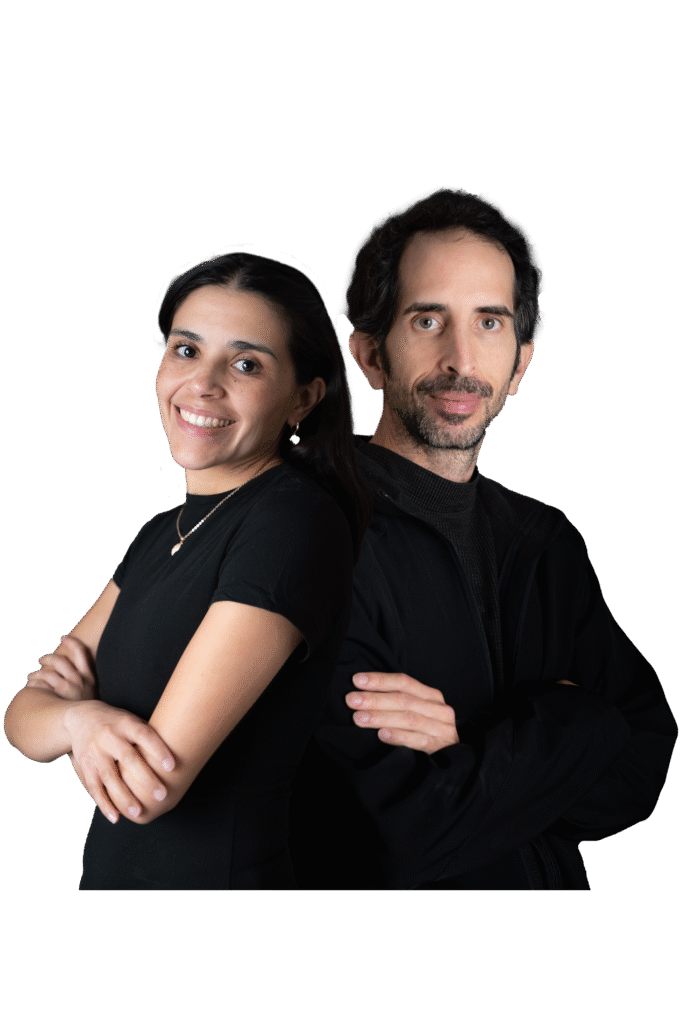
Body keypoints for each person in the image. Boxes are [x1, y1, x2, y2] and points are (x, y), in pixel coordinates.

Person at [288, 187, 679, 890]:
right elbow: (394, 833)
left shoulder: (545, 541)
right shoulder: (312, 530)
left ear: (521, 363)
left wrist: (467, 736)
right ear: (371, 356)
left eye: (490, 322)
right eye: (428, 320)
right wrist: (580, 721)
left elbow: (644, 765)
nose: (461, 359)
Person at [5, 250, 370, 890]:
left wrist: (76, 712)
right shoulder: (158, 534)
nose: (202, 383)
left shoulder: (292, 524)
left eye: (246, 363)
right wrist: (78, 721)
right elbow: (21, 721)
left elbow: (149, 786)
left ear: (303, 398)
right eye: (185, 350)